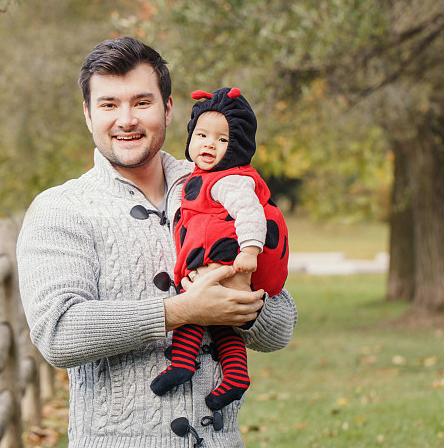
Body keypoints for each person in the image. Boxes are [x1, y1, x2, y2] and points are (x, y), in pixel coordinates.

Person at [17, 36, 297, 447]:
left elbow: (282, 328)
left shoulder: (225, 186)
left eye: (142, 103)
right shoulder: (61, 209)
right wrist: (180, 309)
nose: (126, 119)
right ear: (88, 114)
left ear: (168, 110)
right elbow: (58, 334)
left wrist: (244, 307)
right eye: (109, 104)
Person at [150, 87, 289, 411]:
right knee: (222, 321)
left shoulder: (230, 180)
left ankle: (182, 364)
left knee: (196, 308)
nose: (209, 144)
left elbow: (250, 213)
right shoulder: (199, 175)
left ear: (236, 146)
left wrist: (250, 252)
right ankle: (237, 377)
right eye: (201, 135)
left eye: (222, 140)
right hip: (218, 257)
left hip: (228, 260)